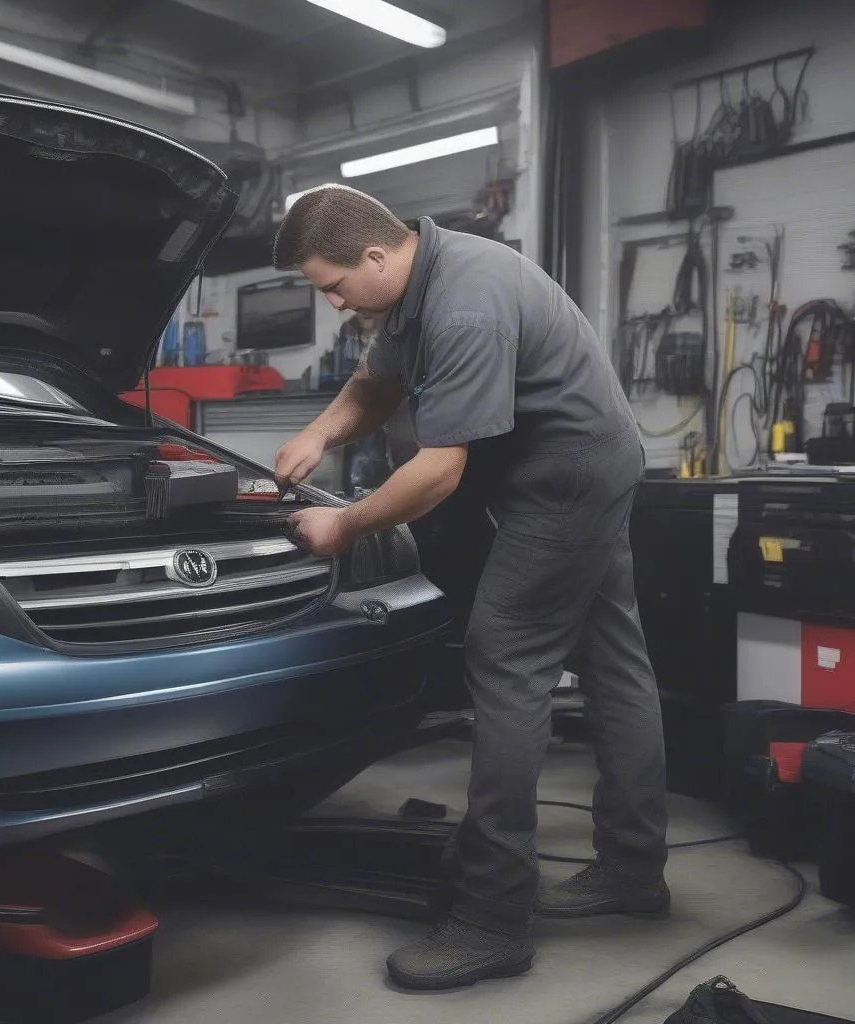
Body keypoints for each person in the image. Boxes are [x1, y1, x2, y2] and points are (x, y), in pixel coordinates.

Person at [271, 184, 670, 992]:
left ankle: (492, 920)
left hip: (565, 482)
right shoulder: (414, 289)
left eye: (334, 286)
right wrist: (316, 432)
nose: (334, 301)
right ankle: (633, 870)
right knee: (613, 660)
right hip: (582, 467)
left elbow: (438, 471)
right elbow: (378, 384)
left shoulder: (466, 304)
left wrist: (342, 526)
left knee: (506, 660)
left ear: (377, 256)